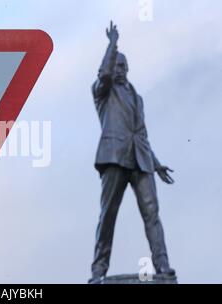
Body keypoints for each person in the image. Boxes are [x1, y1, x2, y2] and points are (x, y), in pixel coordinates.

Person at [89, 21, 176, 284]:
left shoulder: (137, 98)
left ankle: (163, 266)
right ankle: (98, 270)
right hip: (114, 157)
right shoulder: (102, 92)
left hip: (141, 161)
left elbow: (142, 135)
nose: (122, 70)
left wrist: (156, 164)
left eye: (125, 67)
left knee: (152, 213)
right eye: (118, 65)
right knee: (108, 215)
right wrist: (112, 44)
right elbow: (103, 74)